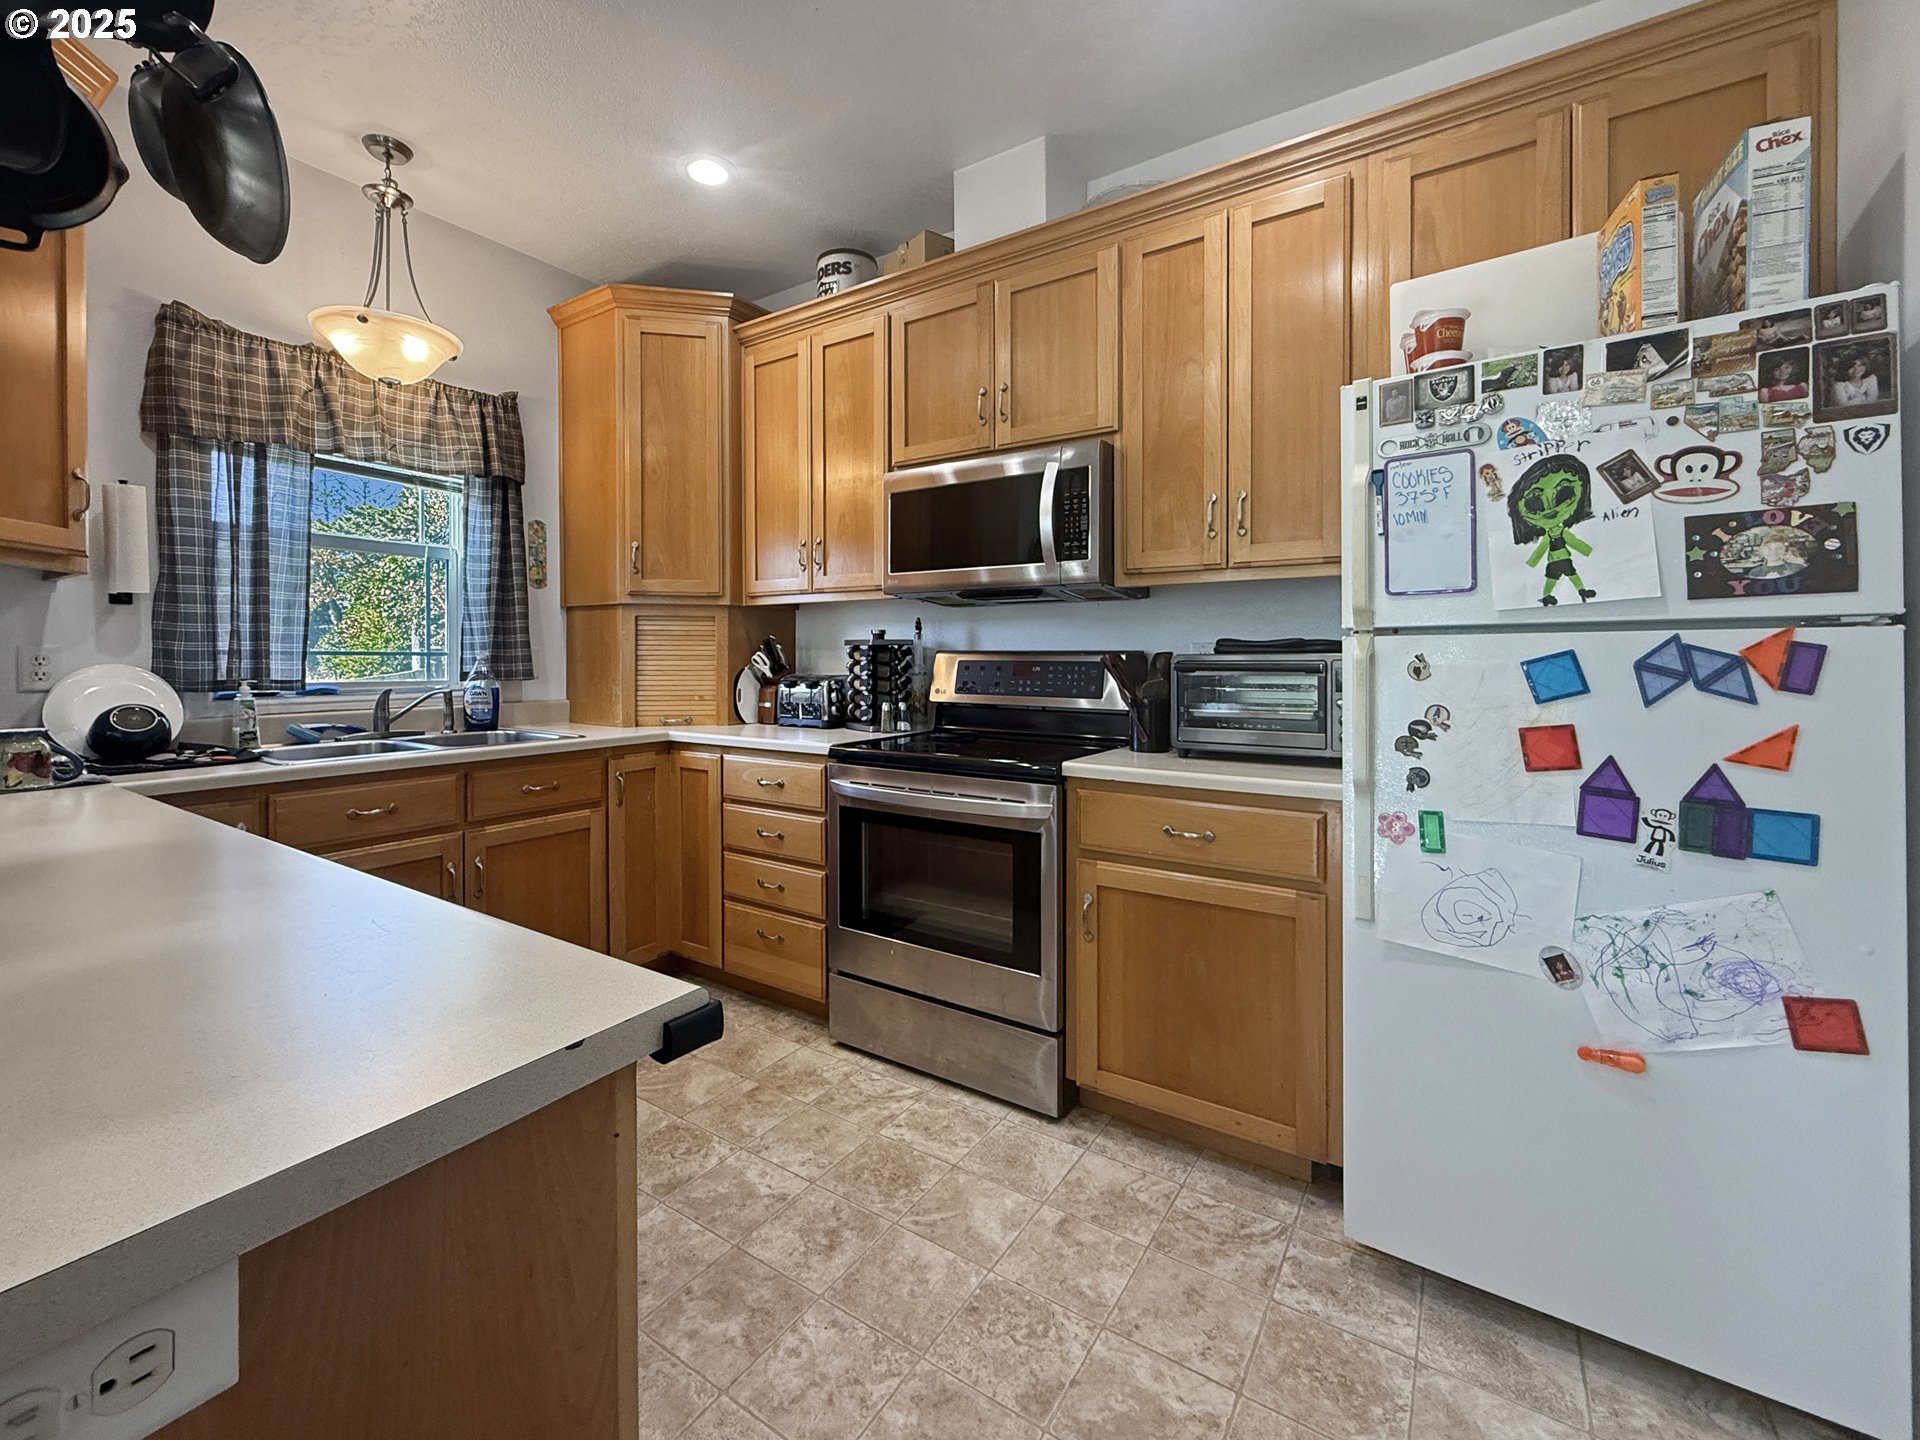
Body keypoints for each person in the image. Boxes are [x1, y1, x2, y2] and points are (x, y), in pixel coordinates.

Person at [1508, 455, 1597, 605]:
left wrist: (1590, 552)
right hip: (1555, 562)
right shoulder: (1549, 536)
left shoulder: (1562, 533)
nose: (1551, 509)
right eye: (1535, 502)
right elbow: (1541, 550)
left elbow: (1575, 542)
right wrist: (1531, 563)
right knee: (1552, 579)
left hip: (1563, 560)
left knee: (1572, 576)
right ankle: (1547, 595)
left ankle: (1581, 590)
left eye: (1564, 494)